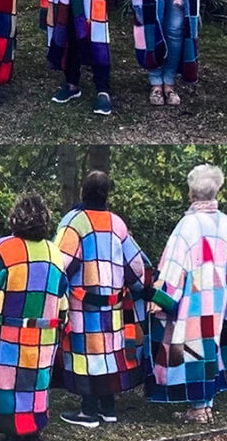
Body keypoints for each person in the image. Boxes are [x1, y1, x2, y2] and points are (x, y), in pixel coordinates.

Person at [146, 165, 227, 423]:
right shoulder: (226, 222)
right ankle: (205, 404)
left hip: (191, 299)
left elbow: (173, 264)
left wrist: (162, 298)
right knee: (211, 345)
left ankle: (198, 408)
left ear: (191, 193)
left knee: (192, 349)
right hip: (217, 298)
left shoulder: (187, 225)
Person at [0, 193, 69, 441]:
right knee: (36, 384)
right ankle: (33, 427)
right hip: (43, 338)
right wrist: (63, 323)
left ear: (16, 218)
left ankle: (10, 430)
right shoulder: (54, 253)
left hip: (5, 338)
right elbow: (62, 299)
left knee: (5, 385)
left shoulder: (4, 250)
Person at [53, 170, 147, 428]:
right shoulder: (117, 223)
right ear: (107, 193)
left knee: (86, 353)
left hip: (82, 304)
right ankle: (109, 408)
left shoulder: (73, 221)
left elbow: (60, 263)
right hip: (113, 304)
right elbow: (135, 267)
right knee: (107, 353)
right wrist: (142, 288)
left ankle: (88, 412)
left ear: (84, 191)